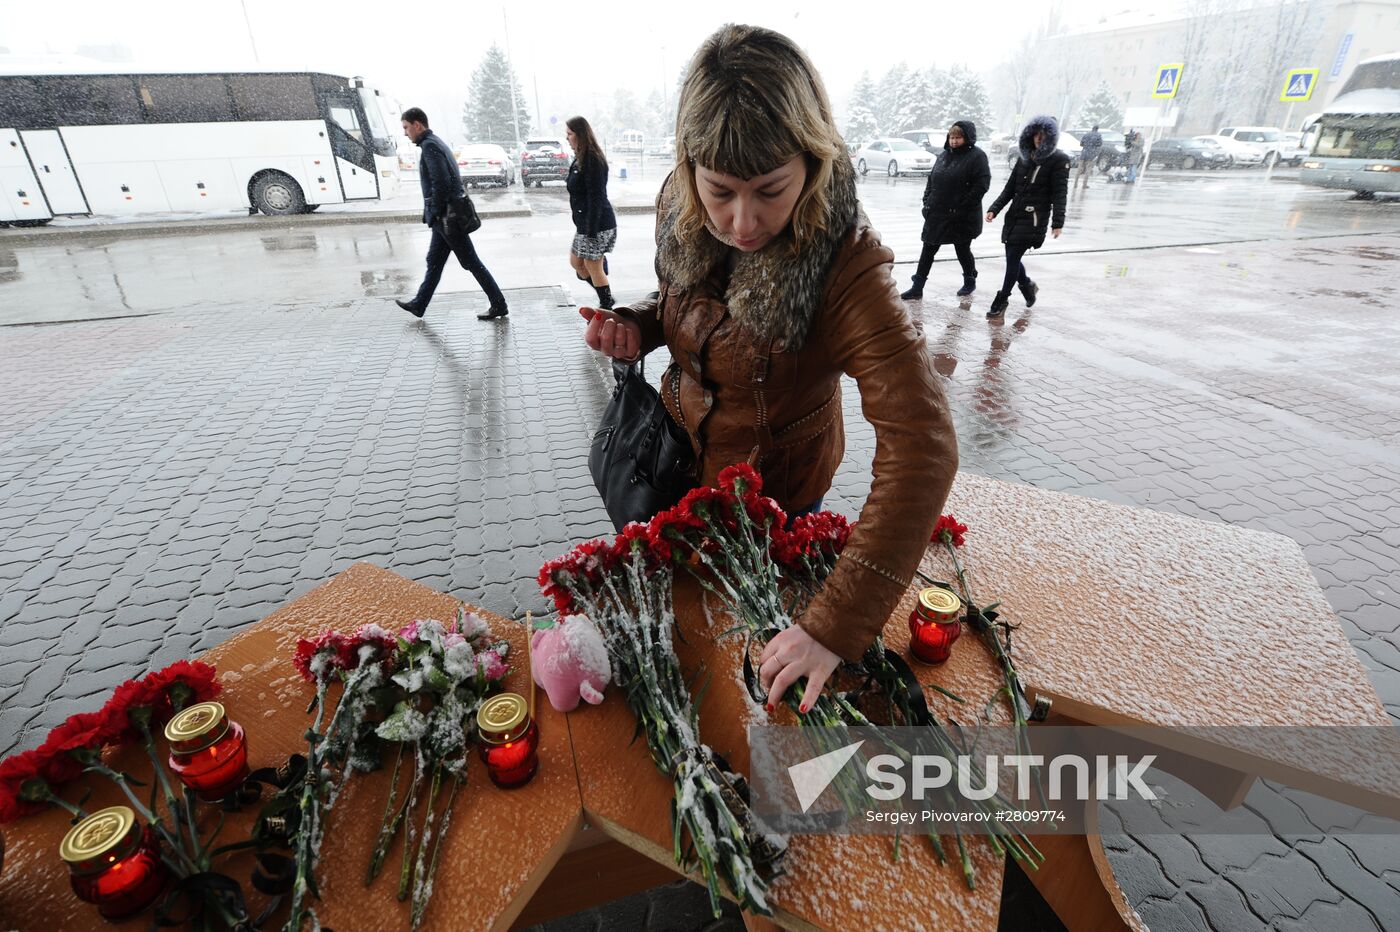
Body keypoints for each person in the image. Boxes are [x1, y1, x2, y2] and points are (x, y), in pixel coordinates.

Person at [579, 25, 958, 721]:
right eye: (720, 191)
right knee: (687, 661)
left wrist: (834, 626)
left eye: (770, 190)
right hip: (674, 470)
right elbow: (686, 301)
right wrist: (639, 322)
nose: (742, 222)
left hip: (775, 500)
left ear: (813, 162)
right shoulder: (680, 207)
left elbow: (923, 445)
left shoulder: (849, 266)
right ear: (689, 167)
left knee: (755, 690)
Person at [396, 107, 508, 321]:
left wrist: (435, 211)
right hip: (446, 217)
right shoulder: (434, 142)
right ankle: (419, 304)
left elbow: (441, 182)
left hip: (447, 218)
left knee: (471, 262)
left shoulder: (430, 146)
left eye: (406, 127)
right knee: (434, 261)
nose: (405, 133)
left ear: (417, 125)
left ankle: (499, 303)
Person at [985, 115, 1070, 319]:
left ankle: (1002, 299)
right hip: (1015, 217)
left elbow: (1060, 193)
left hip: (1034, 219)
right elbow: (1010, 188)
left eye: (1044, 135)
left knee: (1013, 258)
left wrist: (1057, 222)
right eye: (1036, 134)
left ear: (1051, 137)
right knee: (1012, 258)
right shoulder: (1025, 157)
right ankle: (1027, 285)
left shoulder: (1059, 160)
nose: (1039, 138)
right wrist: (994, 208)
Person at [899, 120, 990, 300]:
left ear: (967, 138)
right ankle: (917, 287)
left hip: (962, 216)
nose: (954, 141)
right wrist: (927, 202)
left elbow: (981, 186)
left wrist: (962, 207)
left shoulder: (977, 157)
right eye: (951, 137)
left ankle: (969, 280)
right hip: (937, 212)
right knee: (928, 248)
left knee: (962, 248)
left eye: (958, 138)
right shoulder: (944, 155)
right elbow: (931, 180)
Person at [566, 116, 619, 310]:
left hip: (596, 224)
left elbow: (596, 197)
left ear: (580, 135)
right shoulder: (580, 157)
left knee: (592, 266)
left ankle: (606, 305)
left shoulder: (592, 159)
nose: (567, 138)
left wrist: (591, 230)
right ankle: (605, 294)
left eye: (570, 134)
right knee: (577, 263)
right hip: (585, 223)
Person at [1077, 124, 1103, 189]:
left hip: (1083, 154)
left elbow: (1081, 144)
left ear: (1092, 128)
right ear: (1097, 129)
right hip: (1091, 155)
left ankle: (1075, 184)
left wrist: (1086, 146)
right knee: (1088, 170)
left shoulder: (1086, 134)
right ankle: (1084, 184)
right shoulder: (1098, 135)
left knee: (1079, 169)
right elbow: (1100, 144)